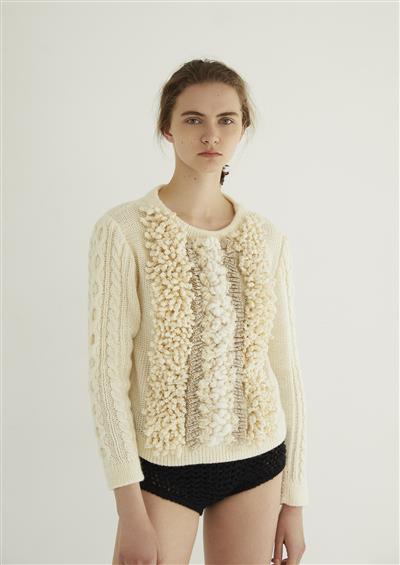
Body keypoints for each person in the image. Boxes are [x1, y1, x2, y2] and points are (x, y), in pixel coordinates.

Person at [87, 58, 309, 565]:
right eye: (193, 119)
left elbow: (286, 369)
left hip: (258, 462)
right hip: (161, 471)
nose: (211, 134)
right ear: (167, 127)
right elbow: (106, 377)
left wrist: (295, 500)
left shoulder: (268, 237)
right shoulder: (123, 230)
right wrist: (128, 510)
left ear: (242, 128)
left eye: (226, 119)